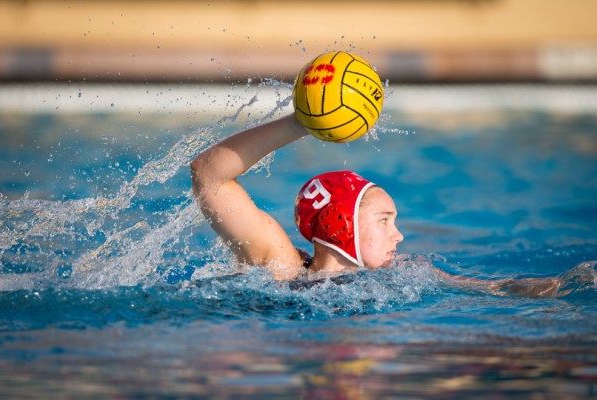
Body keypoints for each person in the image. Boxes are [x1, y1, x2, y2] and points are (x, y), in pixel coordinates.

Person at [191, 112, 569, 296]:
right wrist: (302, 123)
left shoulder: (401, 276)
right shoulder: (280, 266)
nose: (399, 235)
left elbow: (488, 288)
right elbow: (209, 176)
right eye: (384, 220)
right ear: (342, 222)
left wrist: (528, 288)